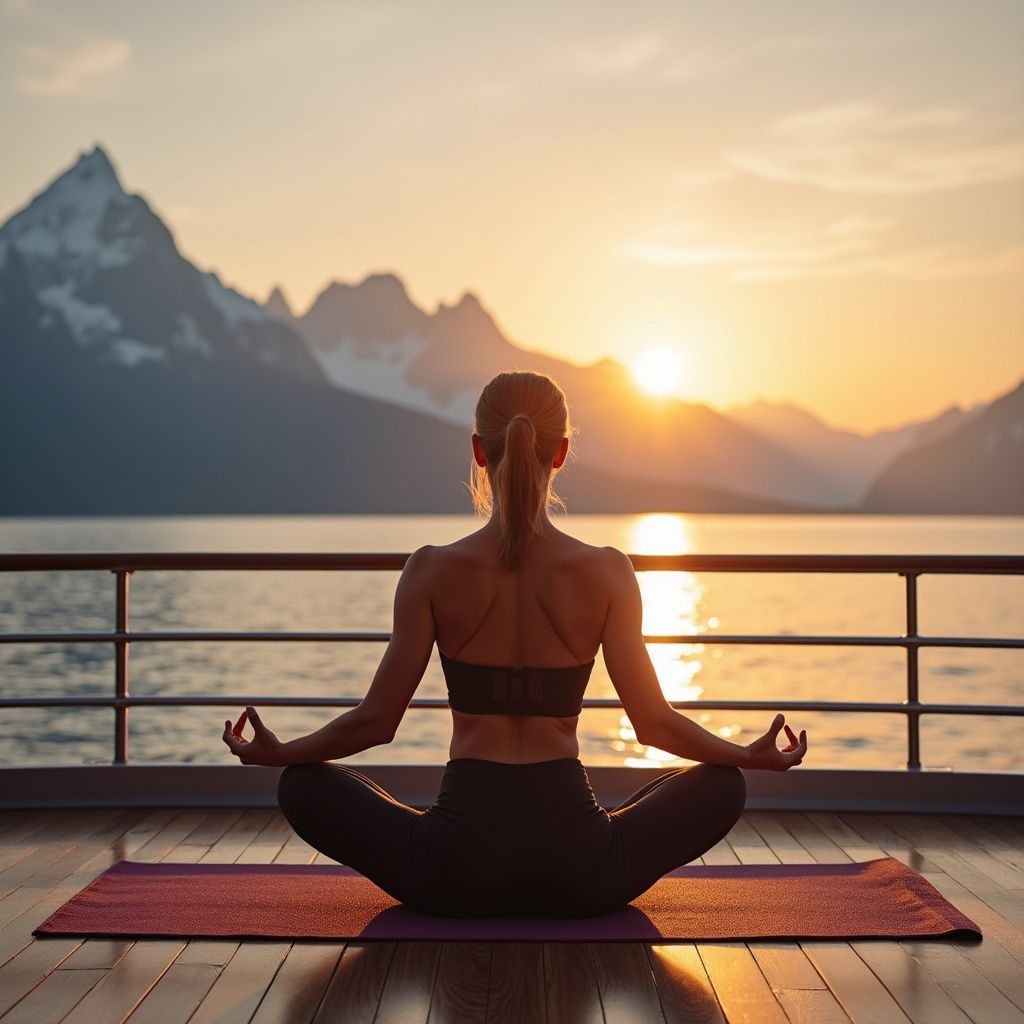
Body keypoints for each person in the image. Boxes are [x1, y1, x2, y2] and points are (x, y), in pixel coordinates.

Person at [222, 369, 808, 917]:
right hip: (581, 874)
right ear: (562, 452)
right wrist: (746, 757)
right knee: (722, 787)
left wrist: (281, 752)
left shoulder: (430, 570)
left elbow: (376, 723)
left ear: (479, 450)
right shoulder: (608, 573)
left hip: (451, 872)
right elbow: (654, 725)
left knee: (301, 784)